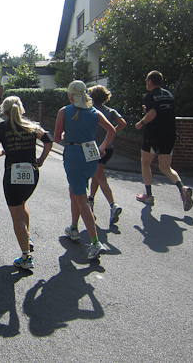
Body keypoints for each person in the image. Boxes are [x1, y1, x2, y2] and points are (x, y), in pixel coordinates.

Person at [54, 80, 116, 260]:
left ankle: (95, 243)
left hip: (74, 154)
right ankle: (74, 228)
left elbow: (57, 138)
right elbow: (112, 131)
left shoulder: (64, 111)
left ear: (71, 96)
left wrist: (66, 134)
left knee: (81, 198)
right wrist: (102, 148)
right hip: (91, 154)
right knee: (75, 190)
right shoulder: (94, 112)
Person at [0, 96, 53, 269]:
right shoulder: (32, 127)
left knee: (16, 215)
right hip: (32, 172)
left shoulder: (0, 128)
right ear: (21, 109)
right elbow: (49, 141)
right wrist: (41, 159)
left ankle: (26, 257)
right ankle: (27, 236)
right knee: (22, 203)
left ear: (4, 112)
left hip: (13, 174)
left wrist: (5, 151)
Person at [135, 70, 193, 211]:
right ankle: (182, 188)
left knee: (145, 162)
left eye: (146, 81)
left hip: (154, 134)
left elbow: (153, 114)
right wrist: (148, 111)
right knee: (165, 167)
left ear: (150, 81)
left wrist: (141, 123)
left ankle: (148, 195)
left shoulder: (149, 95)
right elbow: (163, 112)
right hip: (170, 134)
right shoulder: (169, 95)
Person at [87, 85, 127, 226]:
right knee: (96, 175)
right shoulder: (110, 111)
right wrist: (112, 130)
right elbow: (123, 124)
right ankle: (91, 200)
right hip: (108, 148)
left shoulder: (91, 111)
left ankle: (113, 205)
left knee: (100, 177)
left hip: (94, 149)